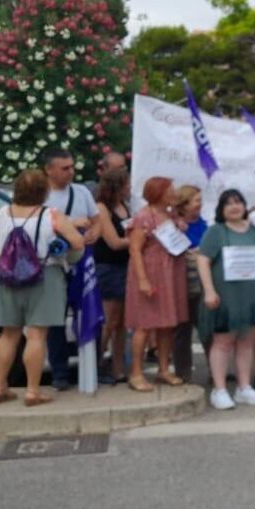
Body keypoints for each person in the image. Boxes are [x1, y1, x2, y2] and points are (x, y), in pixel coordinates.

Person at [0, 169, 85, 406]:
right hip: (45, 276)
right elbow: (77, 242)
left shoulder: (2, 214)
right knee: (36, 334)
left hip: (9, 278)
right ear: (44, 191)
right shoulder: (52, 216)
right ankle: (32, 391)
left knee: (9, 333)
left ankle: (0, 386)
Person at [197, 189, 255, 409]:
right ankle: (219, 390)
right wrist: (209, 290)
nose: (234, 207)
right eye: (228, 203)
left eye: (238, 202)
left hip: (252, 294)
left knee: (247, 342)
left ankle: (244, 387)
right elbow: (203, 261)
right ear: (221, 209)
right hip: (226, 296)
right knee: (222, 342)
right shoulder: (215, 232)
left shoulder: (254, 231)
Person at [41, 148, 101, 391]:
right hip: (54, 265)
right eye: (64, 168)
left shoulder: (81, 192)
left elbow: (96, 219)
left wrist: (95, 233)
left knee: (88, 310)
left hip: (82, 261)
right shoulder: (41, 195)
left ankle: (92, 368)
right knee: (55, 319)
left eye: (71, 167)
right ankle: (59, 371)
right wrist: (70, 224)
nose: (70, 172)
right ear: (49, 169)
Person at [126, 177, 190, 390]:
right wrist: (143, 280)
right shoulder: (144, 217)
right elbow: (135, 249)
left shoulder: (170, 214)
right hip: (151, 273)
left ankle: (164, 369)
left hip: (170, 273)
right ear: (158, 193)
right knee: (144, 325)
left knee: (167, 324)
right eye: (170, 190)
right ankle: (136, 372)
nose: (174, 193)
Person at [92, 168, 133, 386]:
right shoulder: (102, 209)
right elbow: (114, 242)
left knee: (123, 323)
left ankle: (118, 367)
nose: (129, 188)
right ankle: (97, 363)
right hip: (109, 267)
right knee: (109, 320)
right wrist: (139, 239)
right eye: (127, 184)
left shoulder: (124, 206)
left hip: (126, 266)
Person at [171, 185, 210, 383]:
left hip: (202, 284)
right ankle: (183, 373)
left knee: (206, 328)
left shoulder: (203, 223)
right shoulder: (174, 225)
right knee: (182, 331)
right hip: (182, 284)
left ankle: (215, 370)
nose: (200, 205)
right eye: (197, 201)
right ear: (184, 205)